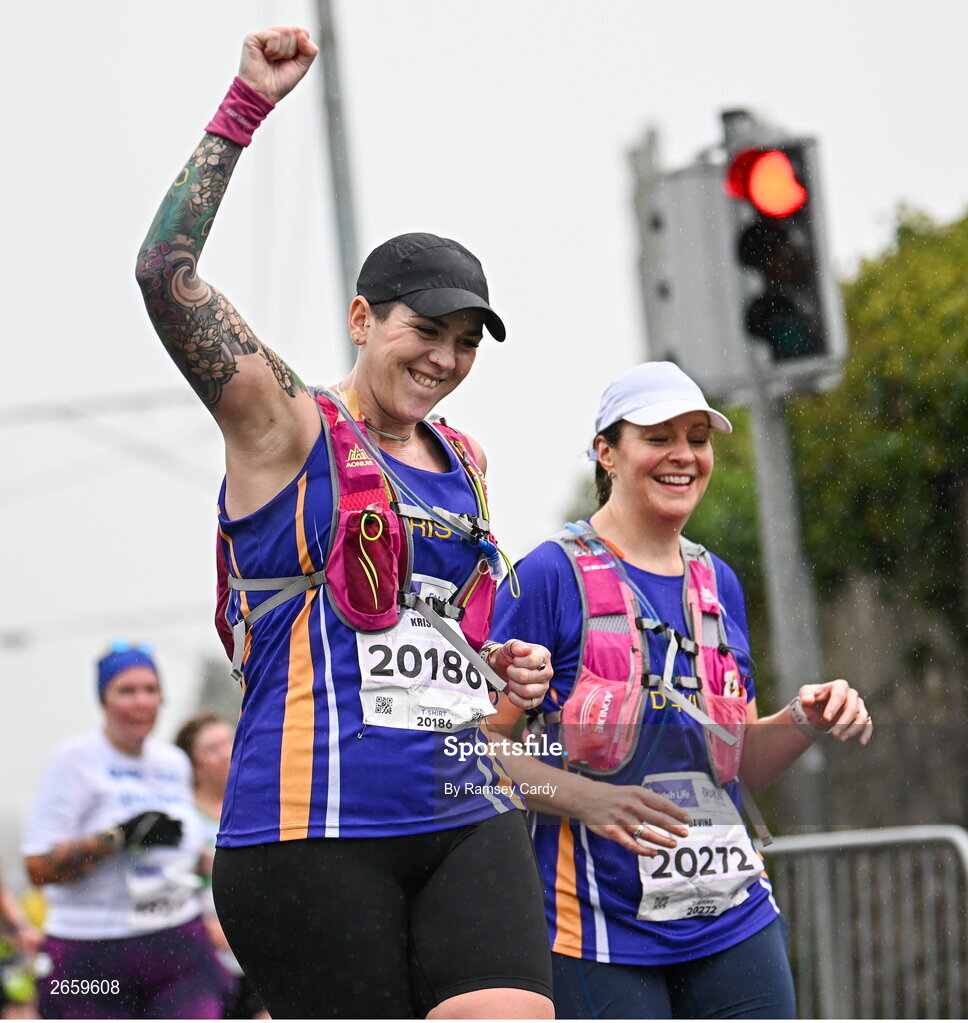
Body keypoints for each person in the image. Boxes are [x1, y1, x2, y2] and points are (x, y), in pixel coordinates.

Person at [135, 25, 553, 1020]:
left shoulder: (466, 463)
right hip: (307, 835)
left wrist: (505, 669)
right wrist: (245, 106)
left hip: (462, 811)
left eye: (464, 342)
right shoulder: (284, 428)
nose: (444, 359)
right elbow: (166, 276)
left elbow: (441, 639)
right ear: (363, 319)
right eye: (424, 331)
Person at [487, 361, 875, 1019]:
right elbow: (477, 750)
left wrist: (804, 718)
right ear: (607, 452)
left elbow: (741, 760)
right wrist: (587, 799)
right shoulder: (548, 574)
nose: (684, 455)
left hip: (732, 915)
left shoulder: (716, 582)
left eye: (697, 437)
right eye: (658, 436)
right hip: (601, 933)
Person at [21, 643, 226, 1019]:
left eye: (150, 690)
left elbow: (184, 853)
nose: (141, 702)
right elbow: (36, 869)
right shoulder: (75, 760)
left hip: (175, 940)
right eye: (126, 691)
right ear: (104, 699)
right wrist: (116, 838)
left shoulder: (173, 763)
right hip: (90, 950)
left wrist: (225, 866)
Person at [174, 713, 266, 1020]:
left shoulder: (260, 806)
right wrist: (204, 926)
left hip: (259, 956)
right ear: (193, 765)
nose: (227, 751)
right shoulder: (179, 818)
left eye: (229, 740)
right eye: (212, 748)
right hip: (200, 962)